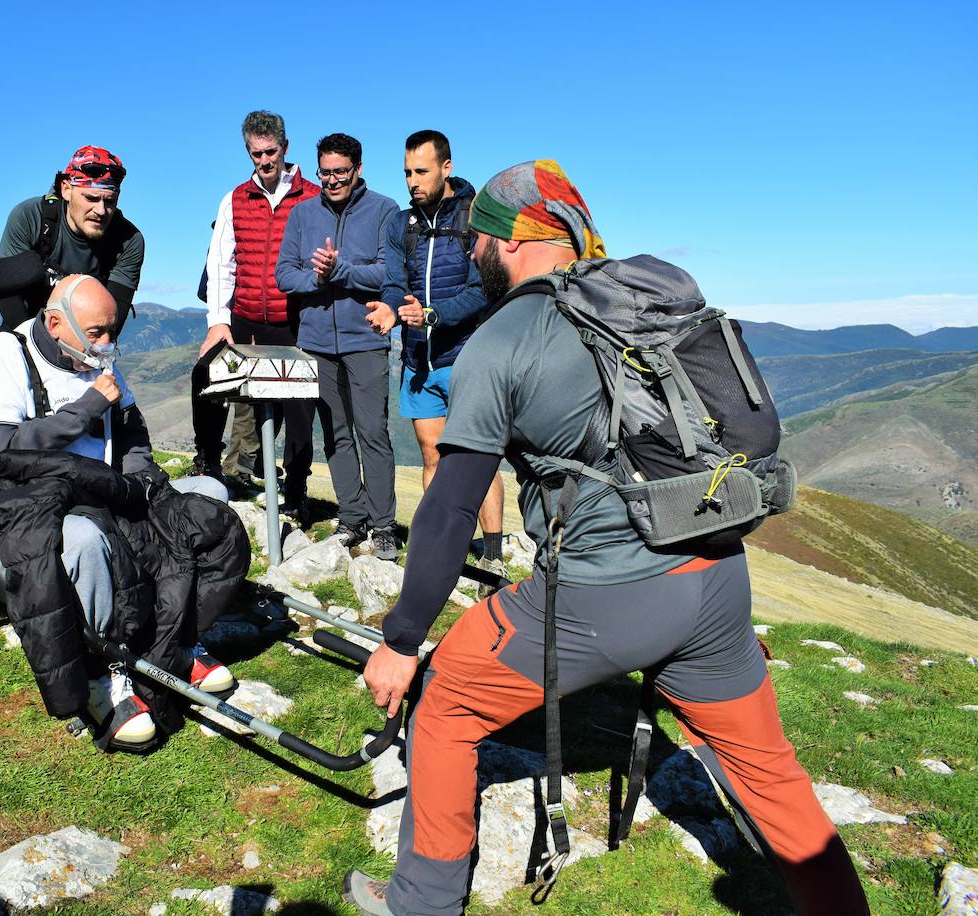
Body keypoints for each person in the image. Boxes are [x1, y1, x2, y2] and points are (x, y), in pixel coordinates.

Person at [344, 161, 869, 916]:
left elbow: (452, 506)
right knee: (772, 779)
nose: (471, 255)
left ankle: (421, 903)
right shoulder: (641, 306)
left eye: (477, 239)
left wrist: (401, 639)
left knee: (448, 704)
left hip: (607, 598)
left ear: (513, 241)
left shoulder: (502, 341)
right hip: (718, 577)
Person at [0, 274, 233, 747]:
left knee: (208, 494)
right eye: (97, 333)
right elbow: (4, 450)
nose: (108, 344)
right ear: (55, 323)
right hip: (23, 493)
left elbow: (131, 436)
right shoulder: (6, 356)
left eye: (112, 331)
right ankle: (100, 670)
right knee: (83, 540)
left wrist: (140, 484)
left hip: (100, 486)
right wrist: (85, 408)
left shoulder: (98, 357)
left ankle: (178, 636)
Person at [365, 130, 506, 587]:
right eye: (407, 171)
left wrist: (433, 314)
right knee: (431, 455)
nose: (412, 181)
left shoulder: (475, 217)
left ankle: (494, 553)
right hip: (419, 359)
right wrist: (390, 307)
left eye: (421, 171)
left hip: (469, 356)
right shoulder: (400, 225)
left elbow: (483, 289)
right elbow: (393, 281)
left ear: (447, 167)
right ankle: (445, 545)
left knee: (479, 457)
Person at [276, 133, 399, 558]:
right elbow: (284, 275)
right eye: (324, 173)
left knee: (373, 434)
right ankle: (351, 518)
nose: (331, 181)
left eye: (340, 173)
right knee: (335, 434)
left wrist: (341, 270)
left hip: (366, 338)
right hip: (315, 342)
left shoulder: (385, 211)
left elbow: (390, 274)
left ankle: (383, 526)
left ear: (358, 170)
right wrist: (317, 279)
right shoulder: (301, 214)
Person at [191, 110, 320, 512]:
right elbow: (221, 264)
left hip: (294, 320)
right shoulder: (234, 198)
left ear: (285, 147)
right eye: (255, 154)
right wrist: (218, 323)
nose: (264, 161)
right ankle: (209, 465)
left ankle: (296, 487)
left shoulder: (313, 196)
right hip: (245, 318)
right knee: (205, 377)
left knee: (301, 406)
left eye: (270, 152)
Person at [0, 147, 143, 331]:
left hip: (87, 338)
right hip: (24, 328)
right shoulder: (29, 217)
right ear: (66, 189)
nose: (101, 210)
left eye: (110, 201)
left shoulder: (128, 240)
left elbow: (112, 319)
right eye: (91, 198)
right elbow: (8, 294)